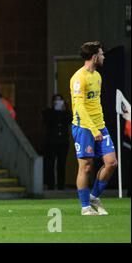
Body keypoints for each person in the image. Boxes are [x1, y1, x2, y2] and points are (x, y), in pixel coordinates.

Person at [70, 41, 118, 216]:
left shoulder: (97, 76)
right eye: (102, 53)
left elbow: (95, 104)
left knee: (112, 163)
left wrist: (100, 127)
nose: (104, 56)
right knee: (86, 167)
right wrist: (93, 129)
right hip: (83, 127)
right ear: (95, 56)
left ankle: (94, 196)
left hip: (100, 126)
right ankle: (85, 207)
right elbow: (80, 108)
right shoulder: (78, 78)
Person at [42, 94, 72, 190]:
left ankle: (61, 185)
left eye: (60, 100)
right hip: (51, 141)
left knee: (61, 164)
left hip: (63, 141)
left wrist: (64, 110)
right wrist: (54, 110)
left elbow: (69, 120)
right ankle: (50, 184)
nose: (58, 103)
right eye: (56, 101)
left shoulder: (66, 113)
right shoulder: (49, 112)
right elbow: (46, 119)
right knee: (50, 164)